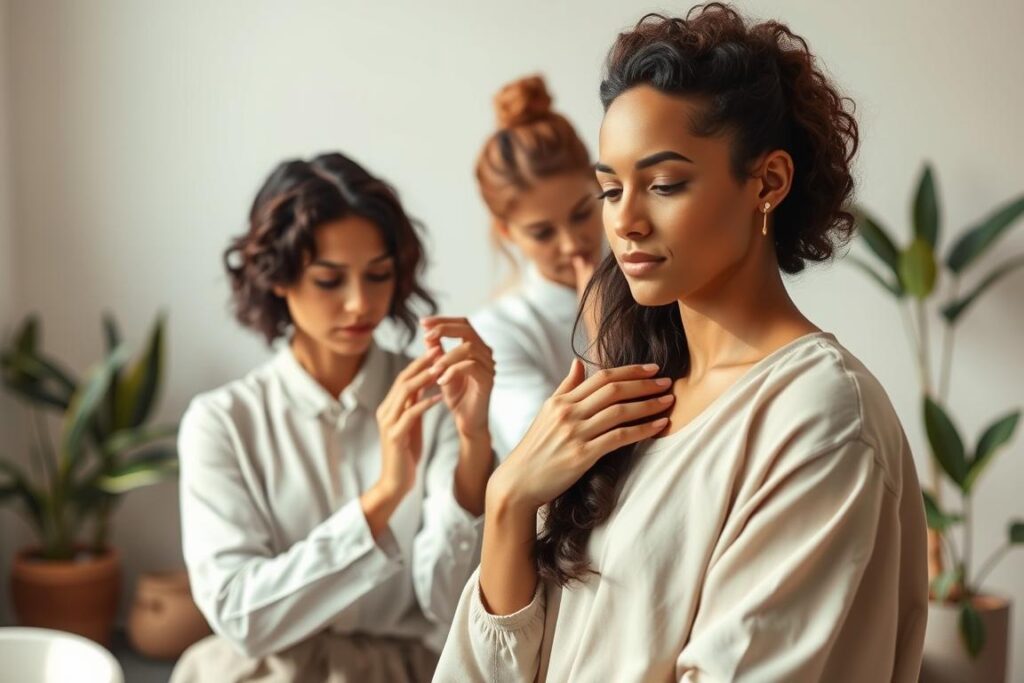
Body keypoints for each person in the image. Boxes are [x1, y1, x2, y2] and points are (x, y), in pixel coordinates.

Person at [434, 5, 929, 681]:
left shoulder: (819, 414)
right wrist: (508, 500)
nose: (625, 221)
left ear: (768, 181)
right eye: (609, 189)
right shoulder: (622, 393)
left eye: (664, 184)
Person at [172, 152, 495, 682]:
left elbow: (448, 601)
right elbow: (241, 616)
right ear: (275, 276)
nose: (358, 303)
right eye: (329, 280)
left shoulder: (441, 398)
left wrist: (476, 442)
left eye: (378, 275)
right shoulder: (221, 423)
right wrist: (386, 493)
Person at [470, 75, 605, 456]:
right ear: (507, 232)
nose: (571, 243)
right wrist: (602, 331)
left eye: (582, 214)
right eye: (543, 233)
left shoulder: (667, 277)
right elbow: (545, 456)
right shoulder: (498, 332)